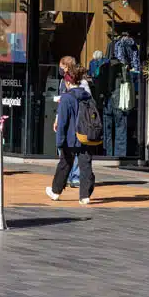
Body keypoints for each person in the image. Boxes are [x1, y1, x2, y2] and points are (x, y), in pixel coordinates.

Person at [47, 63, 96, 205]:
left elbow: (62, 123)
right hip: (85, 136)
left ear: (68, 82)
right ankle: (85, 196)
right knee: (85, 165)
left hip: (70, 137)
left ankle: (56, 192)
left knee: (65, 163)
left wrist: (59, 141)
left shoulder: (66, 98)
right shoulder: (87, 96)